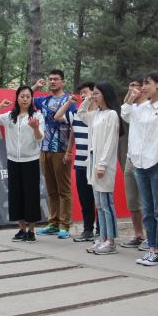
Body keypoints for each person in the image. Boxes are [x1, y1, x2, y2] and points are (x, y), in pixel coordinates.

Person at [122, 71, 158, 266]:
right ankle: (151, 246)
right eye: (143, 83)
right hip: (140, 163)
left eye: (148, 83)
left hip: (157, 163)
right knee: (147, 209)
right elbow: (125, 113)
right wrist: (131, 97)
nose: (143, 87)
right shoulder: (141, 108)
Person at [0, 85, 45, 242]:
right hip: (13, 161)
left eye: (28, 96)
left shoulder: (37, 116)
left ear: (31, 99)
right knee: (15, 195)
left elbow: (40, 138)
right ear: (17, 98)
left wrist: (35, 128)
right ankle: (21, 229)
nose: (25, 99)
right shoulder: (9, 116)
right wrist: (0, 106)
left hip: (31, 161)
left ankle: (31, 231)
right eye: (22, 96)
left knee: (31, 195)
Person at [76, 81, 123, 255]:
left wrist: (102, 164)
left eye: (96, 93)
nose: (93, 96)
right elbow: (80, 113)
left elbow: (111, 142)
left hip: (104, 164)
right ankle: (102, 238)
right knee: (99, 204)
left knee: (106, 204)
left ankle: (111, 241)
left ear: (105, 94)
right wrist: (87, 100)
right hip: (93, 163)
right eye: (93, 93)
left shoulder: (112, 115)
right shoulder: (95, 114)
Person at [32, 70, 77, 239]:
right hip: (44, 149)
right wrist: (36, 86)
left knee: (63, 189)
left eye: (56, 79)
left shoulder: (69, 101)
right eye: (50, 79)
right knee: (51, 189)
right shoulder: (44, 100)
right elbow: (24, 98)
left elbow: (74, 127)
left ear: (62, 82)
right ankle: (53, 223)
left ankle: (65, 225)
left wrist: (69, 150)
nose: (52, 82)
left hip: (61, 150)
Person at [55, 82, 98, 242]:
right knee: (85, 199)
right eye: (81, 93)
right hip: (80, 162)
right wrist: (68, 102)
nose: (83, 95)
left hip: (96, 163)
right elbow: (58, 117)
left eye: (85, 92)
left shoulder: (101, 113)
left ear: (94, 93)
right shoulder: (76, 114)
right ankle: (88, 230)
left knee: (99, 199)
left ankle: (102, 231)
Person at [118, 76, 147, 250]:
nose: (131, 89)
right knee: (132, 200)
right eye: (129, 86)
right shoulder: (133, 108)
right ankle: (138, 234)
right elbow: (124, 113)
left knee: (147, 200)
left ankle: (152, 236)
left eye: (134, 85)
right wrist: (129, 98)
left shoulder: (150, 107)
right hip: (131, 158)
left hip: (145, 160)